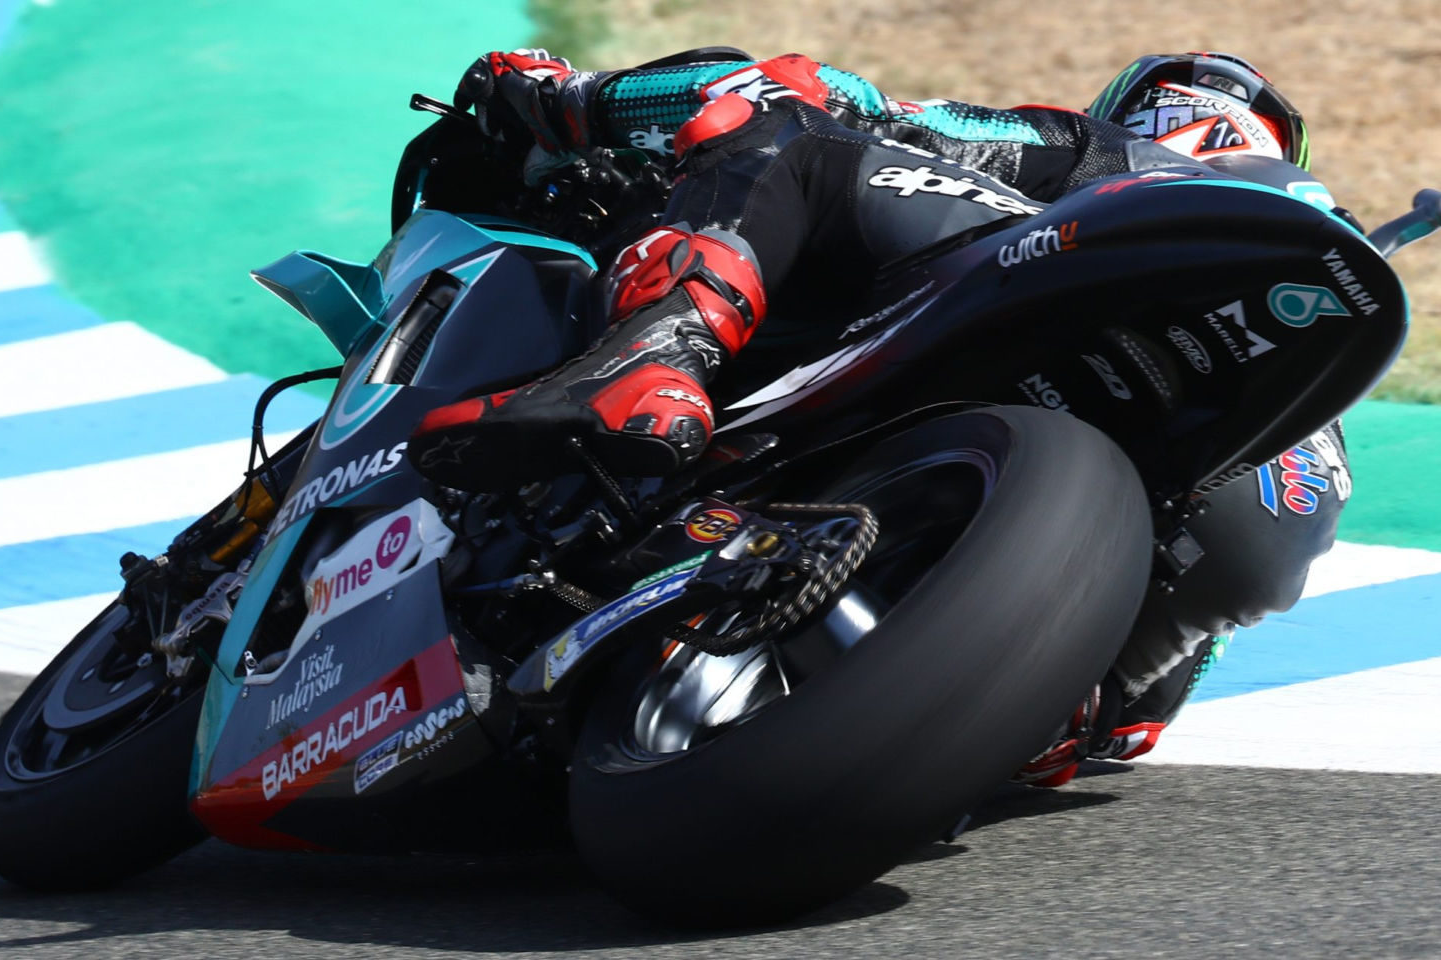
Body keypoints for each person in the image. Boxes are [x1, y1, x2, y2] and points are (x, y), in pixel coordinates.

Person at [404, 49, 1351, 785]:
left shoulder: (1093, 153)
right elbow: (1239, 594)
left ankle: (656, 360)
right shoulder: (1308, 406)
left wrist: (570, 100)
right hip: (1185, 574)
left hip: (1034, 347)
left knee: (790, 126)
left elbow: (840, 97)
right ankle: (1059, 697)